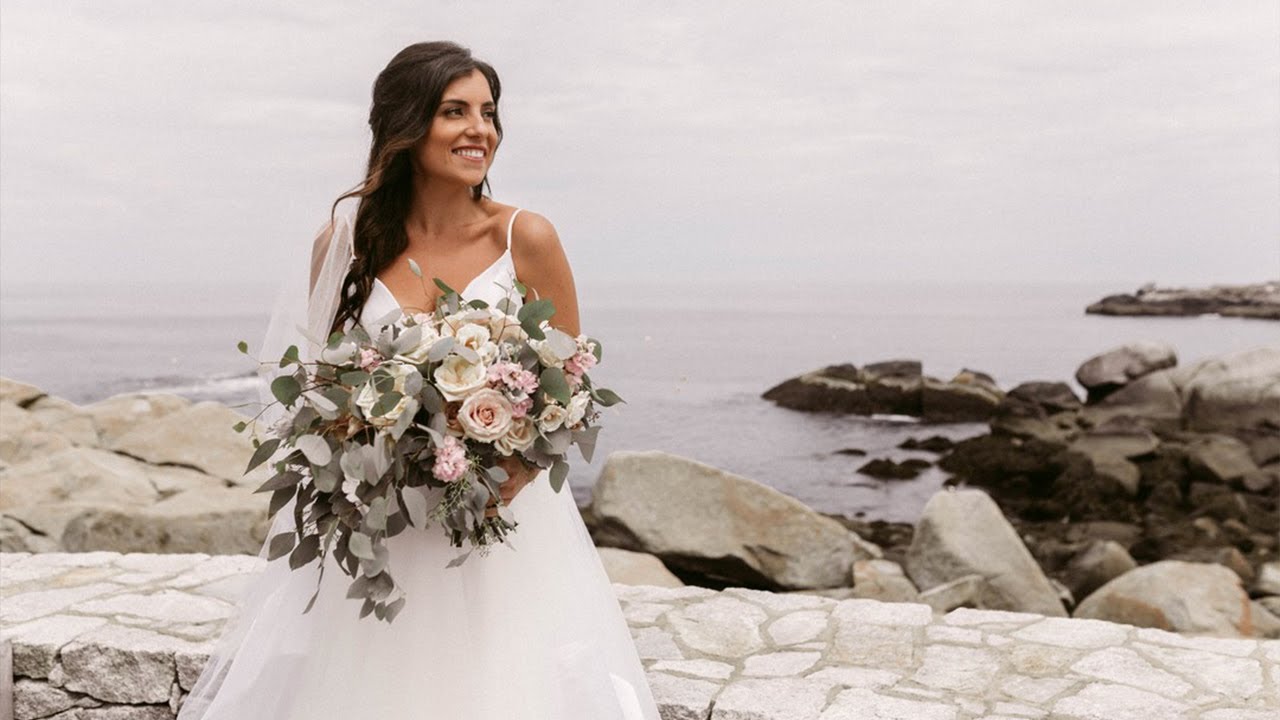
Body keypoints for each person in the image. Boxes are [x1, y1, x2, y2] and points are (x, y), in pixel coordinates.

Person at [177, 41, 661, 720]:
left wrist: (510, 473)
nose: (479, 130)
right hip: (389, 525)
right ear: (406, 124)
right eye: (454, 111)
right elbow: (320, 387)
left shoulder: (525, 237)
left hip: (501, 528)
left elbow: (571, 386)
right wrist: (361, 443)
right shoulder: (346, 242)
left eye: (488, 113)